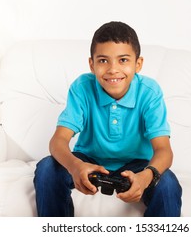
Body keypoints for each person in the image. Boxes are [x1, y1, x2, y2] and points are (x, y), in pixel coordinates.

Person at [34, 21, 182, 217]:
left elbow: (164, 150)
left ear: (138, 64)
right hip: (89, 160)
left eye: (123, 60)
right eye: (103, 60)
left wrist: (146, 177)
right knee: (46, 169)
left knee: (168, 185)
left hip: (137, 164)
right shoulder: (82, 88)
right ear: (92, 65)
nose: (113, 69)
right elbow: (58, 141)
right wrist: (76, 166)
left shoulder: (150, 92)